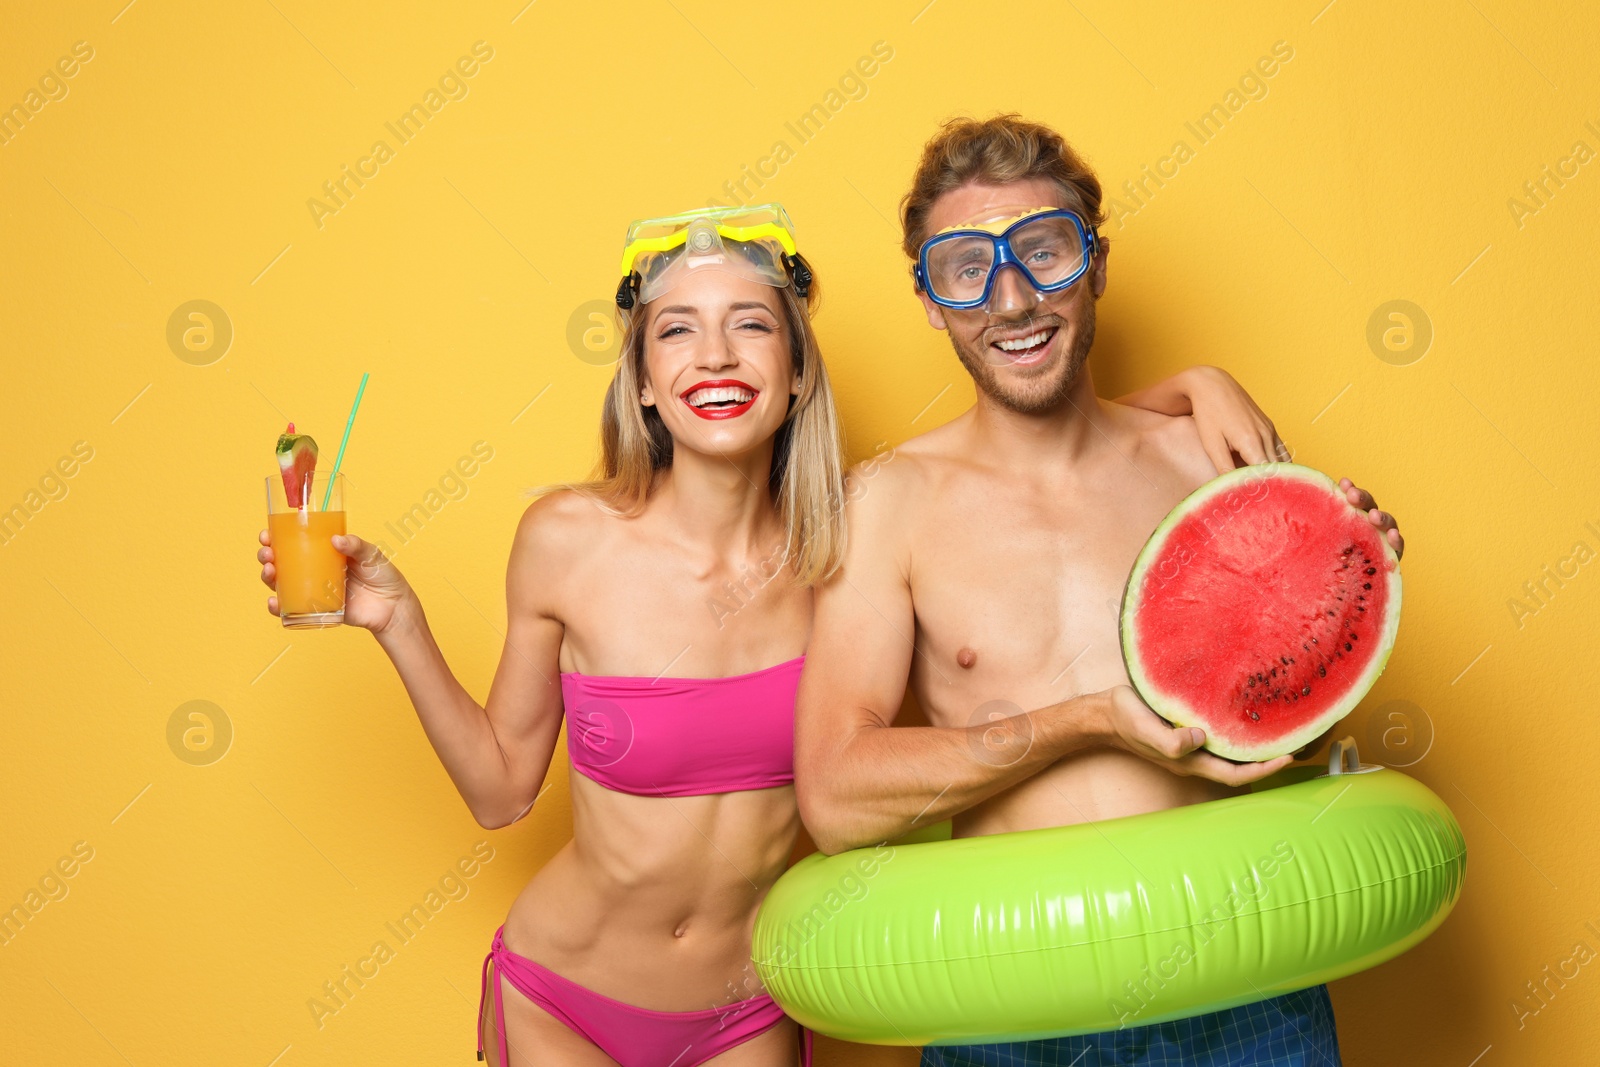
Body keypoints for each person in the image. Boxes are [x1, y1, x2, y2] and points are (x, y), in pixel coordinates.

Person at [256, 201, 1293, 1066]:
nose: (714, 354)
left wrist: (1191, 389)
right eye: (676, 331)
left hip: (744, 1009)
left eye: (750, 324)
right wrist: (396, 622)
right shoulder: (565, 538)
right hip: (560, 995)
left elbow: (1025, 444)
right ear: (646, 385)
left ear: (796, 372)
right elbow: (498, 792)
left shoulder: (844, 548)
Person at [794, 114, 1405, 1067]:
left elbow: (1291, 731)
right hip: (1009, 997)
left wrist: (1344, 603)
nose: (1012, 298)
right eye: (966, 267)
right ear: (928, 299)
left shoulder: (1210, 455)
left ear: (1096, 264)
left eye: (1045, 250)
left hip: (1239, 982)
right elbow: (835, 796)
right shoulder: (887, 506)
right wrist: (1086, 720)